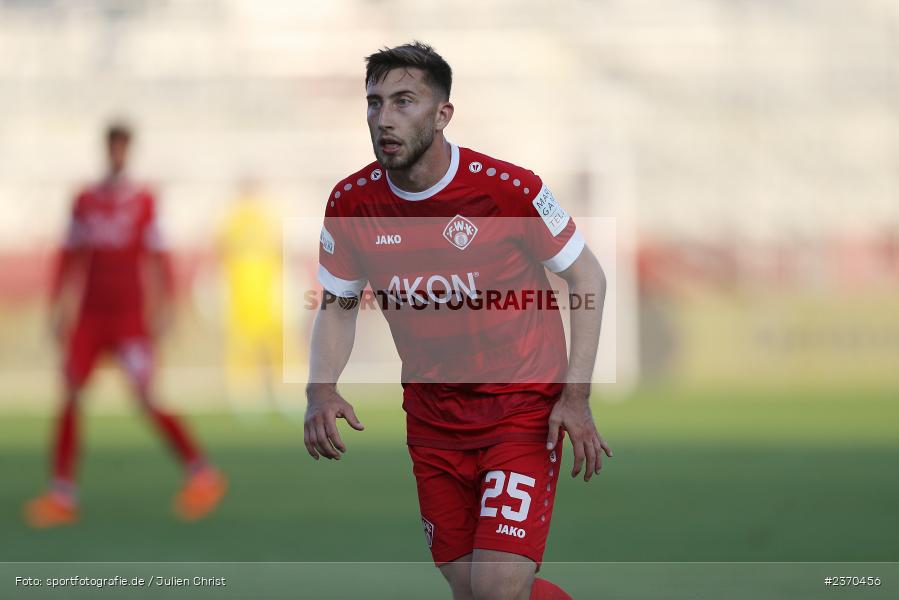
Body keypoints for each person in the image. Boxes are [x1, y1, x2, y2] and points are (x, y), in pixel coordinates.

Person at [305, 42, 612, 600]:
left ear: (442, 114)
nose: (383, 119)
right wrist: (320, 388)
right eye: (374, 103)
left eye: (403, 101)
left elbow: (588, 278)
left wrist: (576, 395)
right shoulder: (351, 202)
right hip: (432, 416)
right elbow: (337, 306)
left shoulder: (508, 189)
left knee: (496, 585)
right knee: (472, 588)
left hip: (521, 409)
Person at [24, 122, 227, 528]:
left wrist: (166, 306)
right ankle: (62, 494)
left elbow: (159, 256)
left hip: (130, 319)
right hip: (89, 318)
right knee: (70, 395)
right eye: (112, 147)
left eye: (122, 148)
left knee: (147, 398)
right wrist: (58, 307)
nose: (117, 154)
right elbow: (69, 256)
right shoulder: (84, 200)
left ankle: (203, 474)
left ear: (128, 151)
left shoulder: (144, 201)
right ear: (106, 150)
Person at [216, 178, 286, 415]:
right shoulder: (234, 219)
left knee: (275, 341)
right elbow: (222, 252)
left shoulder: (265, 218)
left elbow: (278, 253)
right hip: (242, 293)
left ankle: (281, 390)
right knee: (243, 343)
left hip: (265, 292)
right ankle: (245, 393)